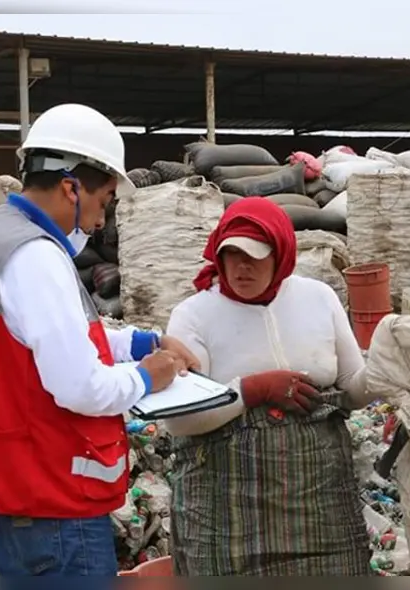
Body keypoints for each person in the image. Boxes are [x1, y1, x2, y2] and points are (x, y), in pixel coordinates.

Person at [0, 103, 200, 577]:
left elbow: (42, 341)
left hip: (11, 489)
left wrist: (141, 342)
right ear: (72, 187)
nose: (100, 221)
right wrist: (147, 376)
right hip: (49, 502)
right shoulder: (36, 254)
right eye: (104, 200)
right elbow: (79, 386)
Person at [162, 197, 375, 576]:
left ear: (282, 256)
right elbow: (180, 422)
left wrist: (389, 368)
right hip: (228, 509)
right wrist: (252, 390)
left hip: (319, 501)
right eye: (232, 255)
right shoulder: (194, 315)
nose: (242, 266)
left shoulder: (318, 299)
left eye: (255, 255)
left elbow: (353, 391)